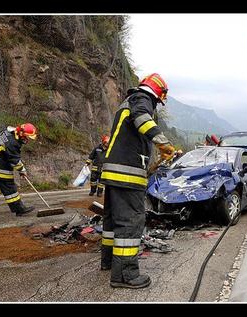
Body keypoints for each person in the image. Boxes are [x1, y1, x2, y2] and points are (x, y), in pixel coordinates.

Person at [100, 73, 175, 289]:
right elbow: (142, 118)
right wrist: (163, 143)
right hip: (127, 173)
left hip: (115, 171)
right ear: (157, 94)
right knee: (131, 222)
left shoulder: (129, 100)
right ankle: (125, 275)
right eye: (160, 101)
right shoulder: (142, 100)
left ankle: (108, 262)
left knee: (112, 222)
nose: (158, 105)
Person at [0, 123, 38, 218]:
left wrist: (1, 149)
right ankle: (19, 209)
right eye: (27, 137)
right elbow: (15, 160)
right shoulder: (12, 143)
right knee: (10, 190)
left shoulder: (7, 131)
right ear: (21, 134)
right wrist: (22, 170)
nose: (28, 139)